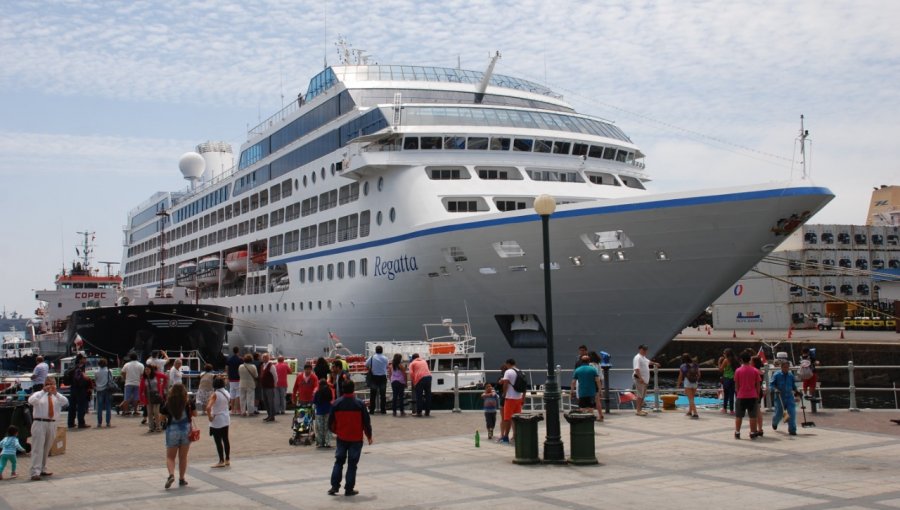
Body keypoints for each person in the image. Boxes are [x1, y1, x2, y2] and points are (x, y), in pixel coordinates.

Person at [327, 380, 373, 497]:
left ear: (342, 389)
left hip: (342, 437)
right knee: (352, 464)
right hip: (356, 438)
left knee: (339, 461)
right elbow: (366, 422)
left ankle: (334, 486)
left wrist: (336, 431)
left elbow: (330, 423)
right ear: (353, 389)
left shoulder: (336, 404)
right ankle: (349, 489)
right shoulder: (360, 404)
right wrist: (369, 436)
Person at [28, 376, 67, 481]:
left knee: (47, 448)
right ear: (44, 384)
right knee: (38, 448)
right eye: (48, 383)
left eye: (53, 383)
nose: (50, 386)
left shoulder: (56, 397)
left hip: (52, 424)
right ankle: (35, 472)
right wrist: (43, 391)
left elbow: (65, 402)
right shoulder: (38, 394)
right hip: (39, 422)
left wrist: (55, 393)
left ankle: (43, 469)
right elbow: (31, 400)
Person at [161, 383, 195, 489]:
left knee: (170, 457)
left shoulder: (168, 403)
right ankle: (182, 478)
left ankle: (171, 474)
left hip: (172, 430)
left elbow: (161, 417)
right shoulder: (188, 402)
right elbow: (195, 414)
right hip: (186, 430)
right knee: (183, 457)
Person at [733, 351, 761, 440]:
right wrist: (757, 394)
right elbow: (758, 385)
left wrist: (738, 393)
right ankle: (753, 432)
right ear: (749, 360)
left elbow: (737, 385)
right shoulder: (755, 370)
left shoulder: (738, 370)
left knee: (739, 415)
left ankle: (737, 432)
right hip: (752, 395)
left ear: (741, 360)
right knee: (752, 416)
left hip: (741, 395)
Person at [205, 377, 231, 468]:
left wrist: (210, 417)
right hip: (226, 417)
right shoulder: (226, 392)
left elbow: (208, 407)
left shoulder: (215, 394)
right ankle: (227, 459)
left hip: (217, 418)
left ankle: (221, 460)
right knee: (225, 439)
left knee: (218, 440)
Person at [770, 360, 799, 436]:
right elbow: (771, 385)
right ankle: (774, 422)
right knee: (779, 413)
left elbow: (793, 386)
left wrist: (796, 391)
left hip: (789, 396)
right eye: (784, 367)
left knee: (791, 413)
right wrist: (775, 389)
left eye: (787, 367)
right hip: (780, 396)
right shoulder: (776, 375)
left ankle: (792, 429)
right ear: (781, 367)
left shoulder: (790, 375)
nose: (786, 369)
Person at [498, 358, 524, 443]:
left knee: (507, 418)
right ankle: (517, 436)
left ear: (508, 364)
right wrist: (523, 398)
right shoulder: (520, 371)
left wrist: (504, 394)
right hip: (518, 398)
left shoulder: (508, 372)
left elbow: (505, 384)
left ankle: (505, 437)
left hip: (510, 398)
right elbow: (524, 385)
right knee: (516, 418)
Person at [571, 355, 603, 421]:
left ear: (581, 361)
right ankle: (590, 423)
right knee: (591, 408)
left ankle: (583, 423)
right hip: (591, 392)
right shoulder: (593, 369)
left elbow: (573, 382)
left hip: (582, 392)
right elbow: (597, 380)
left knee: (582, 408)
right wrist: (600, 390)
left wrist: (572, 391)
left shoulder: (578, 370)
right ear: (589, 361)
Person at [139, 365, 168, 432]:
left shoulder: (156, 375)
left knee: (156, 412)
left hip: (156, 396)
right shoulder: (144, 378)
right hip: (148, 397)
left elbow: (165, 377)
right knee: (149, 413)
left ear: (151, 370)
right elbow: (141, 389)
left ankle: (158, 426)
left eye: (148, 369)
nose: (147, 371)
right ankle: (151, 427)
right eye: (145, 369)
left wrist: (162, 387)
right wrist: (140, 398)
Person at [67, 353, 91, 429]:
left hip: (73, 388)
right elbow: (81, 378)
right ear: (81, 359)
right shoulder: (80, 367)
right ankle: (81, 423)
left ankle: (70, 423)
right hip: (80, 388)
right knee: (81, 406)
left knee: (72, 406)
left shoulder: (72, 365)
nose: (85, 359)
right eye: (84, 358)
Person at [633, 344, 657, 416]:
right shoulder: (637, 358)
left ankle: (640, 409)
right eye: (643, 349)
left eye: (646, 349)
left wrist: (655, 363)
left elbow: (648, 362)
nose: (645, 351)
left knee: (643, 395)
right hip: (640, 379)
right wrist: (640, 378)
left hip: (644, 380)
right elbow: (636, 369)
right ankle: (638, 411)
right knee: (640, 395)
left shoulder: (643, 357)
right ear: (640, 349)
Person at [365, 345, 389, 414]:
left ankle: (372, 410)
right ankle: (383, 410)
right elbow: (387, 366)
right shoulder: (385, 358)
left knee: (373, 395)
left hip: (374, 377)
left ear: (375, 351)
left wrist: (370, 368)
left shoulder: (372, 357)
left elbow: (366, 364)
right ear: (382, 351)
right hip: (383, 377)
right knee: (383, 395)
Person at [677, 353, 700, 419]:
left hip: (687, 383)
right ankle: (690, 411)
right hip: (695, 383)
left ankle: (695, 413)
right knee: (692, 398)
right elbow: (699, 374)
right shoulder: (695, 365)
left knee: (690, 399)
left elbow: (680, 376)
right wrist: (695, 380)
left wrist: (678, 384)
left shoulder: (682, 366)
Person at [94, 357, 115, 428]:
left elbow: (95, 380)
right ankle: (108, 422)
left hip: (99, 390)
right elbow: (111, 380)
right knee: (108, 406)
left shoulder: (96, 371)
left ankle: (99, 423)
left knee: (99, 407)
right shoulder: (109, 371)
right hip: (107, 389)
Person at [314, 379, 334, 448]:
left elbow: (314, 401)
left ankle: (320, 442)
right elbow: (331, 399)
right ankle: (328, 442)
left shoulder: (317, 392)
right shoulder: (329, 391)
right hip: (328, 411)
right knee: (328, 427)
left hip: (319, 412)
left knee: (319, 428)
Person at [718, 348, 739, 415]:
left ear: (726, 354)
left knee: (726, 394)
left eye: (724, 353)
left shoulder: (726, 360)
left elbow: (720, 369)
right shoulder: (735, 360)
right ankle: (732, 410)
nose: (723, 354)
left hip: (727, 378)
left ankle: (724, 409)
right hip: (734, 379)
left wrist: (719, 362)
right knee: (732, 395)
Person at [259, 353, 278, 422]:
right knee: (265, 401)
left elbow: (275, 376)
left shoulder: (271, 366)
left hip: (270, 387)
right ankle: (269, 415)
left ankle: (272, 416)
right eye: (263, 357)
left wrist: (275, 384)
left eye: (265, 357)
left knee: (270, 401)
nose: (264, 359)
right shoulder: (262, 365)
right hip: (264, 386)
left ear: (268, 358)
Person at [588, 351, 606, 420]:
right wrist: (601, 387)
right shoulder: (598, 364)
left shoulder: (590, 365)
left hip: (592, 383)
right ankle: (600, 415)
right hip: (598, 383)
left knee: (590, 400)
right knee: (598, 400)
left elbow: (593, 376)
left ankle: (591, 415)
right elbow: (601, 376)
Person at [226, 346, 242, 414]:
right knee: (238, 394)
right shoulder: (240, 359)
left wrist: (228, 375)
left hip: (231, 379)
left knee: (232, 394)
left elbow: (226, 368)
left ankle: (232, 410)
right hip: (238, 379)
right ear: (238, 351)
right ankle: (238, 410)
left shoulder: (229, 359)